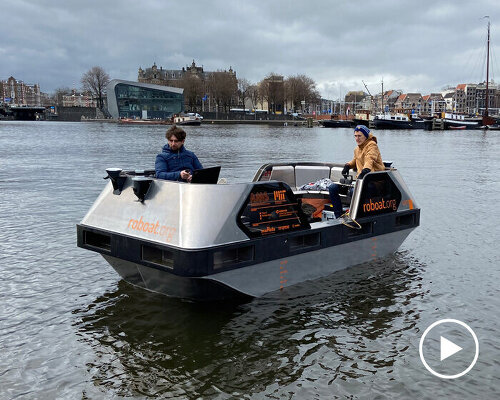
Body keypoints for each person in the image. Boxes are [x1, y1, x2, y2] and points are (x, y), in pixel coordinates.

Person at [328, 124, 385, 218]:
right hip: (361, 181)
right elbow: (356, 160)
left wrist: (365, 170)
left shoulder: (372, 146)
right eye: (355, 136)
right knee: (332, 188)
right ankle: (338, 216)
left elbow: (369, 159)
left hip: (373, 181)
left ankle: (356, 217)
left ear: (366, 136)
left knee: (353, 191)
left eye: (359, 136)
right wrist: (348, 166)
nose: (357, 138)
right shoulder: (357, 149)